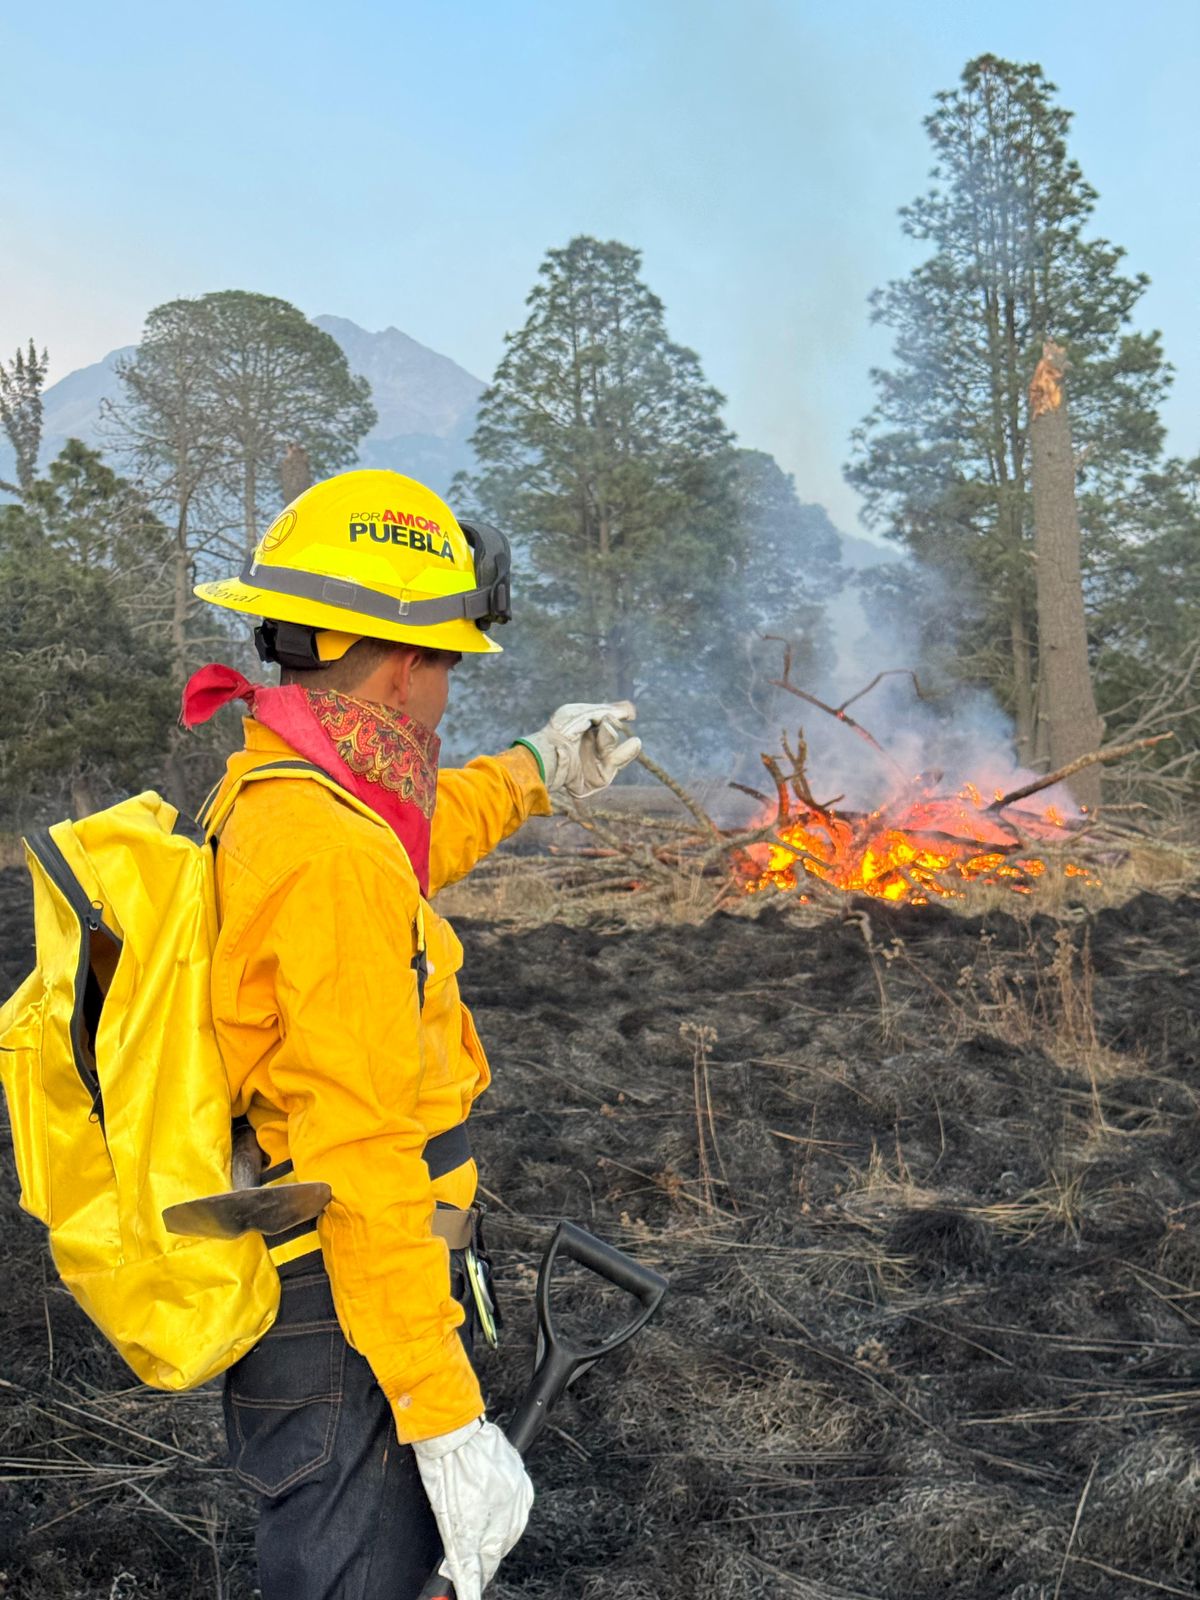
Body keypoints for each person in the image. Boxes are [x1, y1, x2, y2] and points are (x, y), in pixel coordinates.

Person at [184, 468, 641, 1600]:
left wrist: (537, 770)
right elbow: (361, 1157)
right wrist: (441, 1419)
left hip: (348, 1301)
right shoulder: (331, 854)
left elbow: (407, 844)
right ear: (403, 664)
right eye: (448, 665)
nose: (445, 694)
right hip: (350, 1319)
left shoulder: (297, 791)